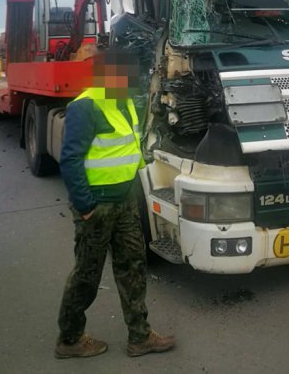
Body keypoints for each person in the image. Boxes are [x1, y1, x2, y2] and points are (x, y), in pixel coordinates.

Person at [55, 46, 175, 360]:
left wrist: (139, 190)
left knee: (133, 267)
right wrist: (85, 206)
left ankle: (140, 336)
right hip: (96, 206)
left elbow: (130, 148)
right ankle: (69, 338)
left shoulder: (125, 103)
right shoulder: (85, 107)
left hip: (124, 202)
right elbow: (70, 160)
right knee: (87, 275)